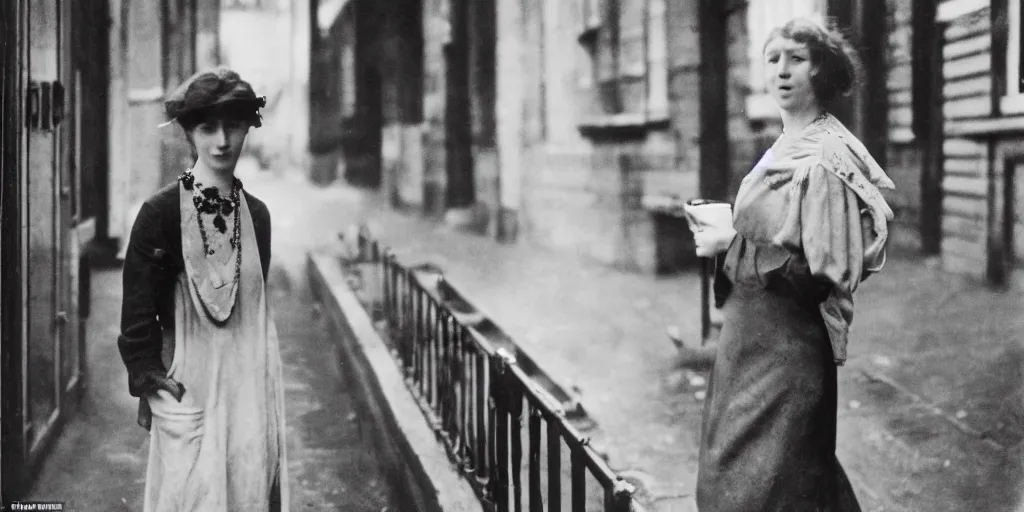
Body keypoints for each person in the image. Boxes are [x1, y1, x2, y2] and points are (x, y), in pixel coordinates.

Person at [687, 18, 895, 511]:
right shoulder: (786, 143)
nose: (782, 70)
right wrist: (732, 225)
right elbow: (785, 232)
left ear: (820, 70)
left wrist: (730, 244)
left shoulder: (826, 156)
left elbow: (820, 276)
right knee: (776, 482)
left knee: (763, 488)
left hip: (787, 353)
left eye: (796, 59)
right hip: (750, 343)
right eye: (773, 58)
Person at [116, 67, 288, 511]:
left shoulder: (258, 216)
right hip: (189, 388)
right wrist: (147, 374)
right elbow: (138, 312)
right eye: (207, 128)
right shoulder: (159, 214)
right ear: (189, 133)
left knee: (248, 491)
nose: (222, 141)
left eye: (233, 125)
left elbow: (249, 304)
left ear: (249, 126)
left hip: (249, 386)